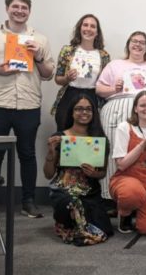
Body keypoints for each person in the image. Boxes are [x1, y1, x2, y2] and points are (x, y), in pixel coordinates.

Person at [0, 0, 55, 219]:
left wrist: (37, 57)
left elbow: (48, 74)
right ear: (7, 8)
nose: (20, 11)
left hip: (28, 105)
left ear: (29, 11)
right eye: (15, 7)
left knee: (27, 154)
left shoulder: (40, 40)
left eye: (24, 8)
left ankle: (28, 202)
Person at [96, 31, 146, 202]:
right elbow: (98, 89)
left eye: (142, 42)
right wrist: (114, 88)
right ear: (128, 44)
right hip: (118, 108)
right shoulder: (115, 64)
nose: (138, 44)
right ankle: (113, 197)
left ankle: (145, 195)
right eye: (134, 41)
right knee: (116, 152)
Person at [44, 94, 113, 245]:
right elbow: (48, 174)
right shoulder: (60, 137)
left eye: (88, 109)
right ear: (72, 112)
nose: (84, 112)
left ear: (93, 113)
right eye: (79, 109)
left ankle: (72, 225)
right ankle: (66, 223)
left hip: (89, 191)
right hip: (64, 190)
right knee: (70, 203)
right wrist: (50, 153)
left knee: (104, 229)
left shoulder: (99, 140)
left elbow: (102, 173)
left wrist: (94, 173)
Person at [109, 91, 146, 235]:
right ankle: (125, 213)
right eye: (143, 105)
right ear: (135, 108)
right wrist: (143, 144)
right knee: (132, 192)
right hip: (127, 177)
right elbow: (121, 165)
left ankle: (141, 210)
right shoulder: (125, 127)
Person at [52, 14, 110, 131]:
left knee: (91, 135)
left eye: (93, 26)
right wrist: (67, 78)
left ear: (97, 32)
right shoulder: (67, 51)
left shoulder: (104, 55)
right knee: (64, 132)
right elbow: (58, 79)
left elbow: (104, 82)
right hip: (69, 94)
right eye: (85, 25)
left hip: (93, 97)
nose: (88, 29)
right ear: (80, 28)